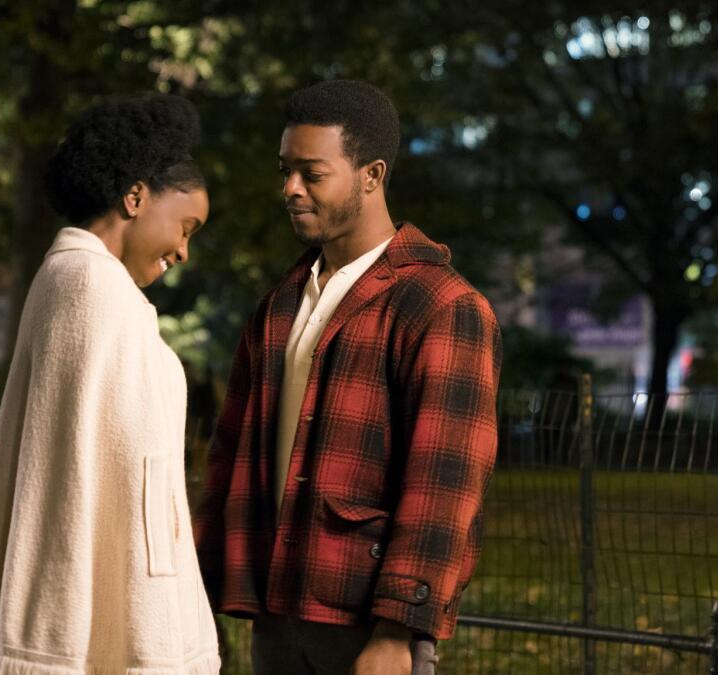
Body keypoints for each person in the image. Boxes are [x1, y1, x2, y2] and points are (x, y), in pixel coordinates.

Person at [192, 80, 502, 675]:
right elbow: (228, 460)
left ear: (371, 174)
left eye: (312, 173)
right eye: (285, 170)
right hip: (273, 613)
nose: (290, 189)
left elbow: (445, 484)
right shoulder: (279, 305)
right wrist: (201, 598)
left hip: (368, 627)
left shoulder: (441, 305)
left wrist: (396, 631)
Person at [0, 94, 220, 675]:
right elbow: (70, 486)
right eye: (185, 226)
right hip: (95, 626)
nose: (182, 249)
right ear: (135, 197)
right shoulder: (89, 288)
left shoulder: (89, 285)